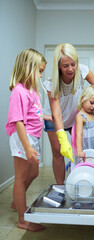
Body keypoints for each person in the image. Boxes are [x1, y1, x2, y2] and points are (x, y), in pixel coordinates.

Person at [43, 43, 94, 184]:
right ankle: (61, 186)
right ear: (58, 66)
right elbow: (56, 113)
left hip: (74, 117)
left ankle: (84, 178)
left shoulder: (82, 71)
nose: (70, 69)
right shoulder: (51, 83)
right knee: (58, 153)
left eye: (73, 64)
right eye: (65, 66)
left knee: (82, 149)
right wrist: (62, 137)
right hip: (55, 118)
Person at [5, 49, 47, 232]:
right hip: (23, 138)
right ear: (28, 68)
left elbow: (36, 114)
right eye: (39, 71)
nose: (40, 75)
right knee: (21, 178)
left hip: (32, 137)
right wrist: (27, 147)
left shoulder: (32, 92)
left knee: (34, 172)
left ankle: (17, 199)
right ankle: (22, 219)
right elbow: (18, 121)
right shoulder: (19, 92)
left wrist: (50, 117)